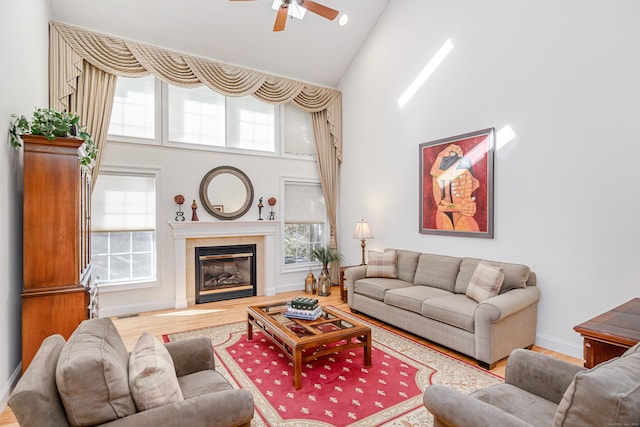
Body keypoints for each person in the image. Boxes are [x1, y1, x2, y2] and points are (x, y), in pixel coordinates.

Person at [429, 143, 480, 232]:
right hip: (446, 218)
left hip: (464, 218)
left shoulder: (466, 170)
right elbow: (441, 206)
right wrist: (459, 207)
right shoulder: (441, 176)